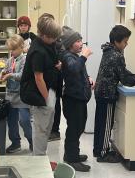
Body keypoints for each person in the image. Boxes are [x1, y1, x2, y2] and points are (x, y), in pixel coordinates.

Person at [93, 25, 135, 163]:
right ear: (117, 41)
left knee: (100, 122)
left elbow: (121, 72)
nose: (126, 44)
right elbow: (124, 76)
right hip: (107, 94)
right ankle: (103, 153)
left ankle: (97, 149)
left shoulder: (108, 50)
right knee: (106, 124)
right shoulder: (116, 55)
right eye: (125, 41)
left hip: (100, 92)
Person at [20, 14, 62, 155]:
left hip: (48, 90)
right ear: (43, 35)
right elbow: (38, 78)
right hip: (39, 94)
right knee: (41, 130)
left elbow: (50, 61)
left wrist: (58, 65)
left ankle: (41, 159)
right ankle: (38, 162)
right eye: (53, 37)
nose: (55, 40)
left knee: (46, 128)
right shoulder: (38, 51)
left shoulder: (47, 44)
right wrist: (46, 98)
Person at [61, 26, 93, 172]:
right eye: (77, 41)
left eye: (81, 41)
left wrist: (88, 79)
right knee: (74, 129)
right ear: (69, 44)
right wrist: (84, 56)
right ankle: (72, 159)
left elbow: (80, 72)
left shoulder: (74, 56)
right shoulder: (68, 56)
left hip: (79, 99)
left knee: (79, 127)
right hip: (73, 100)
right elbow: (74, 69)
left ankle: (72, 153)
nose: (81, 44)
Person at [0, 34, 32, 153]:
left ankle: (32, 141)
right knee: (11, 121)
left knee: (24, 120)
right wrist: (2, 74)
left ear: (21, 47)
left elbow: (23, 75)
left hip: (22, 95)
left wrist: (10, 75)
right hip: (10, 96)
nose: (11, 52)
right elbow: (5, 70)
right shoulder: (10, 60)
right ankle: (15, 142)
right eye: (10, 50)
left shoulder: (25, 59)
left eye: (13, 49)